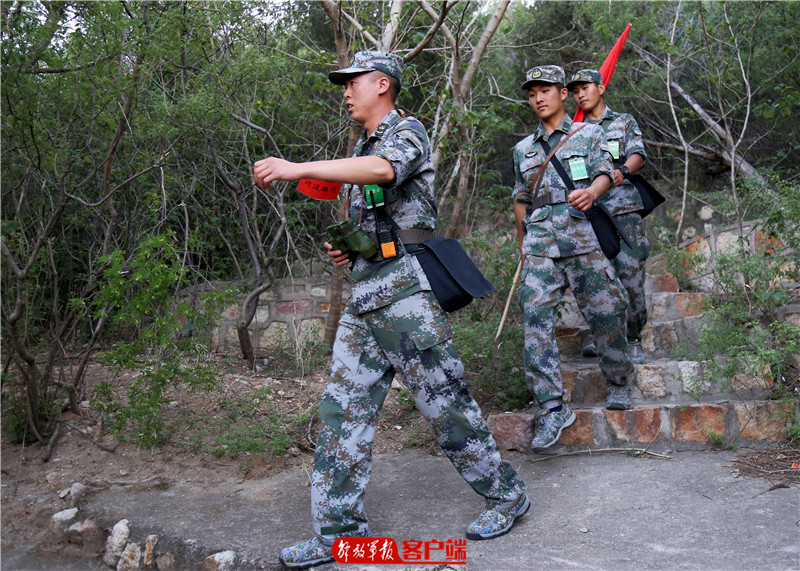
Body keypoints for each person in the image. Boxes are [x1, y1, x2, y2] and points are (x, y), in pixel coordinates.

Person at [254, 51, 528, 569]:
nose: (345, 92)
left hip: (404, 293)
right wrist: (351, 248)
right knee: (342, 412)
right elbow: (384, 222)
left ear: (382, 84)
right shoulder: (363, 146)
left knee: (444, 403)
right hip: (367, 292)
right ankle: (339, 535)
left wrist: (296, 168)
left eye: (352, 82)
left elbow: (384, 171)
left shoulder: (406, 132)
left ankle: (507, 495)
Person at [512, 65, 637, 451]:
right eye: (532, 92)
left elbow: (605, 173)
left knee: (608, 313)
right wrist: (523, 241)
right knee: (535, 320)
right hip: (539, 244)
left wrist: (593, 193)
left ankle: (618, 380)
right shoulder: (522, 149)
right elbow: (521, 198)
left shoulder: (589, 133)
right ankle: (552, 407)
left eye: (545, 90)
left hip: (582, 237)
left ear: (562, 93)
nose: (538, 98)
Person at [567, 69, 650, 365]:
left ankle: (634, 338)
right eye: (575, 90)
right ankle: (604, 335)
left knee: (629, 276)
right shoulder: (573, 130)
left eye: (585, 87)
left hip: (623, 211)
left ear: (601, 88)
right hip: (590, 216)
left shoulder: (622, 122)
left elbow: (638, 154)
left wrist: (623, 171)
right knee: (597, 281)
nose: (580, 94)